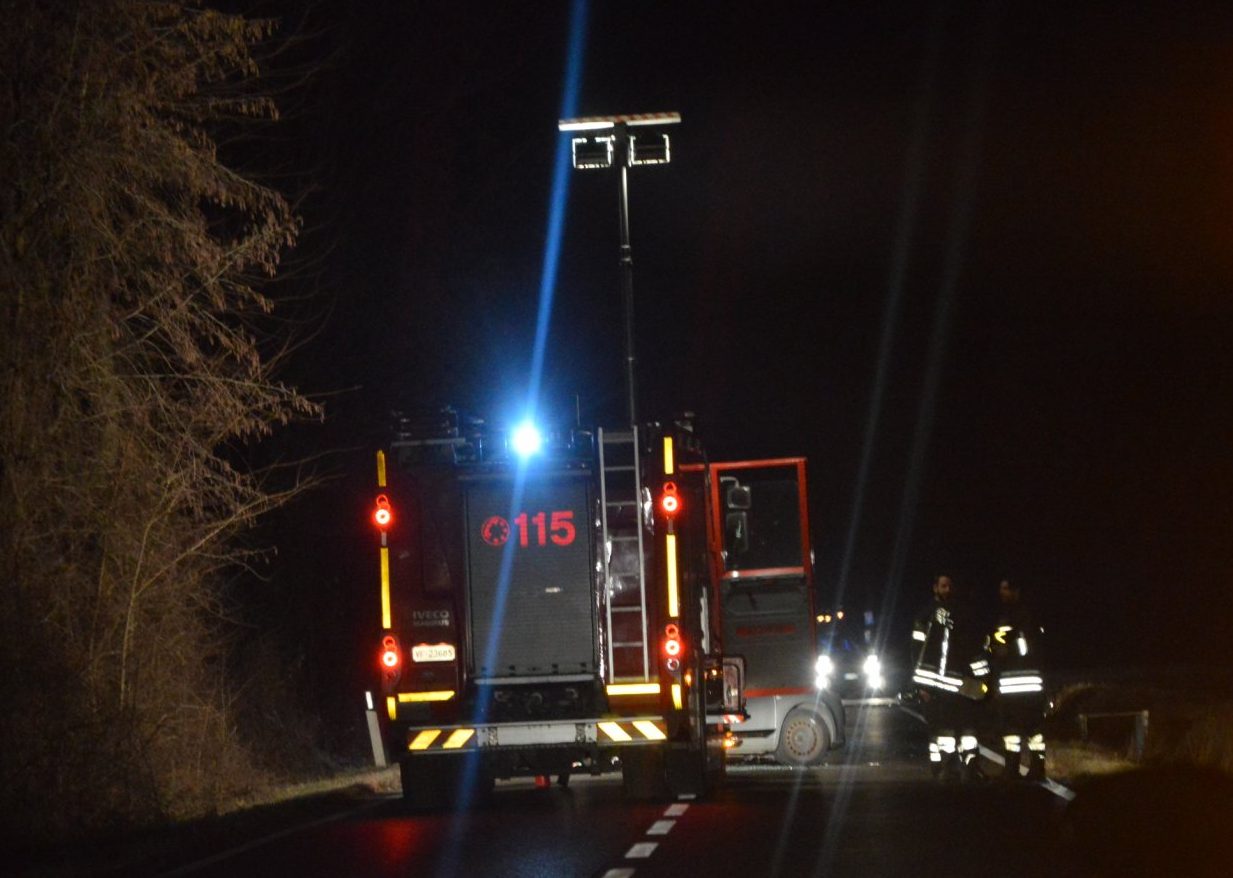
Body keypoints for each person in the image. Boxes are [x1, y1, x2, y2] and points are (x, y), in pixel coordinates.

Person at [911, 574, 985, 781]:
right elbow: (916, 651)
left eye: (950, 586)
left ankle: (959, 766)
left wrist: (982, 680)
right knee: (940, 727)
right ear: (935, 588)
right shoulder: (927, 615)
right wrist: (921, 685)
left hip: (956, 684)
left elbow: (971, 648)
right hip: (936, 684)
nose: (947, 590)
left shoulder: (961, 614)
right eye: (943, 586)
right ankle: (946, 766)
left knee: (956, 726)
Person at [982, 578, 1047, 780]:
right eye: (1001, 589)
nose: (1002, 593)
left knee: (1024, 729)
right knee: (1022, 730)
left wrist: (1002, 647)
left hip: (1020, 683)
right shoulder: (1017, 617)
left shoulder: (1019, 617)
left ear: (1016, 590)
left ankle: (1024, 768)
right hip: (1021, 683)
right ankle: (1024, 767)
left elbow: (1011, 648)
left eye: (1005, 589)